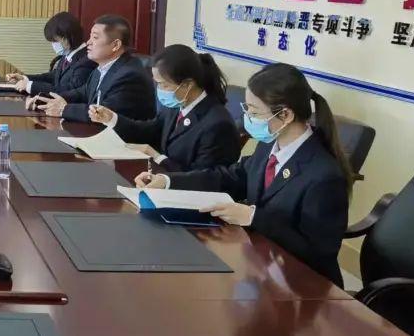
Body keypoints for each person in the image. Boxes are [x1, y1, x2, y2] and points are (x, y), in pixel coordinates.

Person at [134, 63, 353, 286]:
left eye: (254, 112)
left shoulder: (324, 176)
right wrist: (168, 181)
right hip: (263, 265)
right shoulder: (270, 145)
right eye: (247, 109)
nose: (247, 117)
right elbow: (231, 177)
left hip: (304, 286)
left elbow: (317, 253)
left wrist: (253, 217)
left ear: (285, 115)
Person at [89, 44, 240, 172]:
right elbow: (150, 131)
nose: (159, 90)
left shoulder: (218, 125)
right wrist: (112, 119)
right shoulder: (177, 105)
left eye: (164, 85)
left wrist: (157, 157)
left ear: (187, 85)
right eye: (157, 83)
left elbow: (203, 179)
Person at [27, 14, 155, 123]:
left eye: (95, 37)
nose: (88, 42)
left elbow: (103, 113)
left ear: (115, 45)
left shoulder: (130, 75)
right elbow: (81, 93)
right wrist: (45, 100)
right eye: (90, 37)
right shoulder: (103, 67)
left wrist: (63, 109)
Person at [6, 11, 95, 96]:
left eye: (55, 41)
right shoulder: (68, 54)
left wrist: (30, 86)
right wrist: (25, 78)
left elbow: (69, 90)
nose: (53, 45)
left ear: (67, 38)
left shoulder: (87, 60)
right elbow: (54, 76)